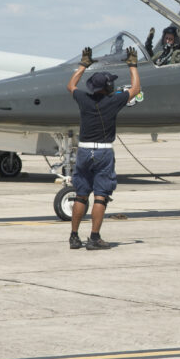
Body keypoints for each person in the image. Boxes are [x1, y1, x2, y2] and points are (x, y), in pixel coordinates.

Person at [65, 46, 141, 250]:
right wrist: (132, 65)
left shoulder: (83, 99)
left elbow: (71, 85)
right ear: (108, 87)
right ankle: (94, 238)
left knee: (81, 194)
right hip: (103, 152)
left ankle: (73, 237)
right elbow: (135, 89)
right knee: (100, 195)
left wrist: (83, 65)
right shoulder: (114, 100)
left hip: (83, 151)